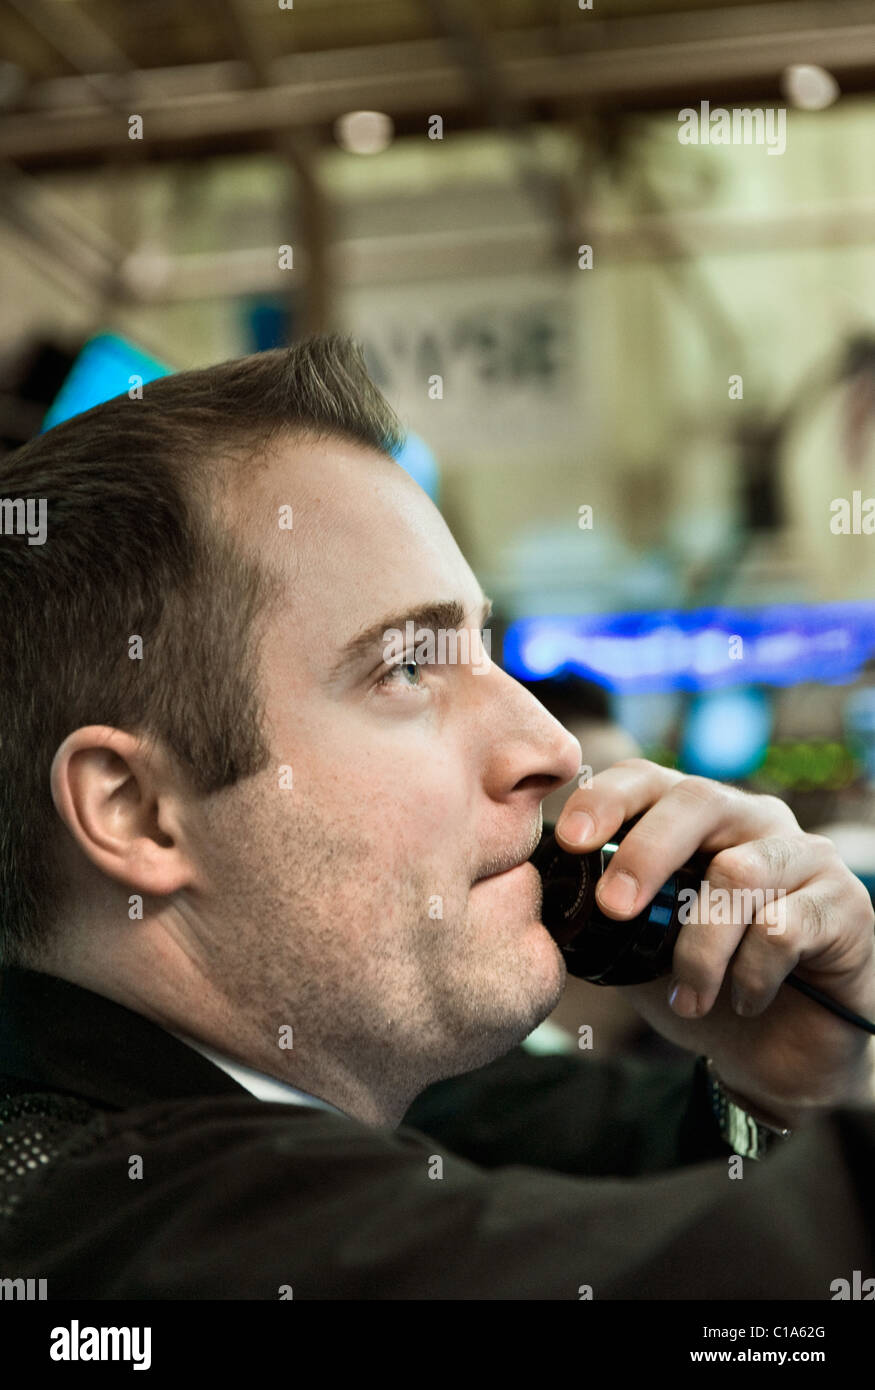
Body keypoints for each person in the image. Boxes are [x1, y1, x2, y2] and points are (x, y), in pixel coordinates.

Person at [0, 336, 873, 1300]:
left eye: (482, 649)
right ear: (138, 813)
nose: (553, 748)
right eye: (405, 667)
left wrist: (779, 1087)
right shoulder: (113, 1230)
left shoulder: (354, 1097)